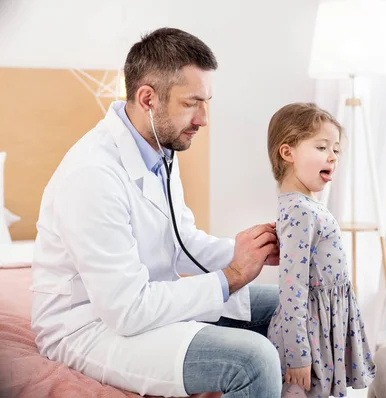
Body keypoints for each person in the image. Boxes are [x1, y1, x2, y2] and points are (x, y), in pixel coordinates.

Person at [31, 27, 283, 398]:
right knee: (253, 360)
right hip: (91, 325)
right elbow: (126, 310)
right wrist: (229, 276)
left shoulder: (159, 148)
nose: (203, 119)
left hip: (150, 299)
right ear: (147, 98)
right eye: (191, 103)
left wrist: (248, 250)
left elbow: (179, 241)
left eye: (206, 102)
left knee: (288, 306)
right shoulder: (91, 176)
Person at [265, 103, 376, 398]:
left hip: (322, 329)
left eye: (336, 150)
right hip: (308, 337)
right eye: (322, 147)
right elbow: (292, 287)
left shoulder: (309, 205)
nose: (332, 157)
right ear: (287, 153)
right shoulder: (300, 211)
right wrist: (299, 356)